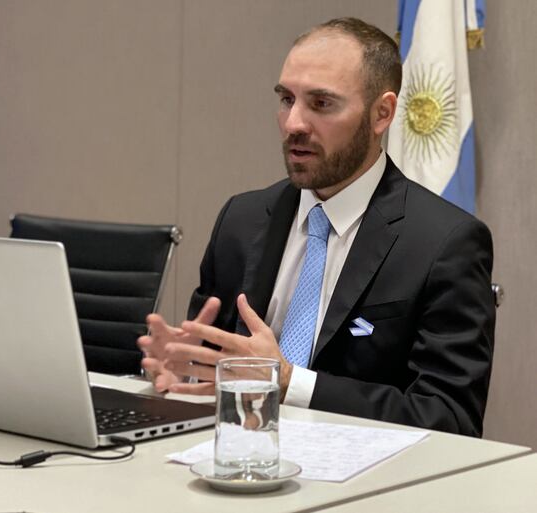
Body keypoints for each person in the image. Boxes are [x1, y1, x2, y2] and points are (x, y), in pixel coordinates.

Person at [137, 17, 495, 438]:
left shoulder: (444, 243)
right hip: (238, 464)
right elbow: (215, 364)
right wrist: (182, 369)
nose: (294, 124)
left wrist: (290, 383)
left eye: (321, 104)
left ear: (383, 114)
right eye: (287, 99)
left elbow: (451, 419)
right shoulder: (242, 218)